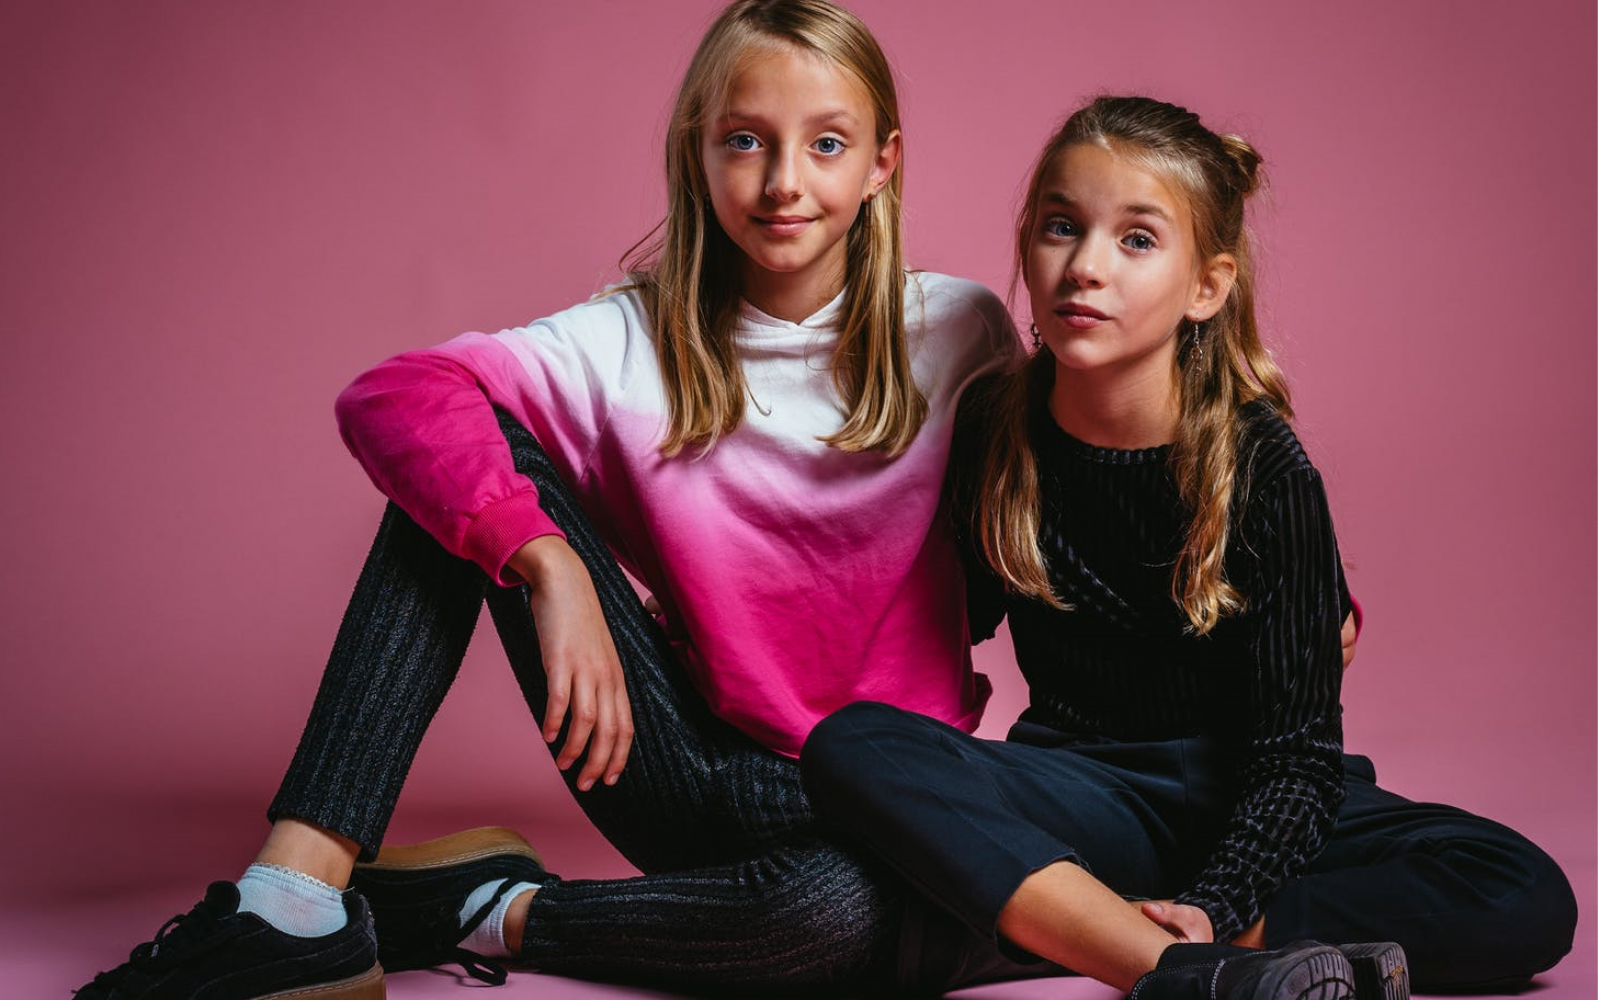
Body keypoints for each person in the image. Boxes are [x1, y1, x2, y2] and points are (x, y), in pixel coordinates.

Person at [74, 3, 1026, 998]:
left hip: (884, 801)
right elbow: (393, 398)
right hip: (679, 766)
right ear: (697, 154)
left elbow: (1027, 553)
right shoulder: (630, 340)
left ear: (881, 163)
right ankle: (290, 899)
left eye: (826, 144)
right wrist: (546, 559)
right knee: (456, 462)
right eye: (745, 140)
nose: (784, 181)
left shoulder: (958, 332)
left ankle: (477, 908)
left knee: (829, 920)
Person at [801, 96, 1578, 1000]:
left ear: (1206, 288)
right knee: (856, 744)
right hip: (1084, 793)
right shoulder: (993, 432)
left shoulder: (1264, 467)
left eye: (1137, 240)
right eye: (1061, 226)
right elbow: (928, 627)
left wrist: (1218, 901)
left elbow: (1296, 763)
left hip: (1249, 799)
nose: (1085, 266)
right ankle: (1167, 959)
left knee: (1522, 891)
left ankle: (1130, 934)